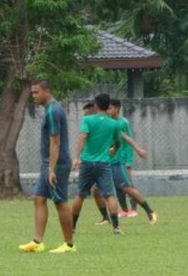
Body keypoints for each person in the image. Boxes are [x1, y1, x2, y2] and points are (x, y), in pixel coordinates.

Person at [71, 94, 144, 235]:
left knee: (80, 195)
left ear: (96, 105)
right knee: (110, 195)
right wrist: (113, 150)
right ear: (107, 106)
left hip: (87, 162)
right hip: (104, 164)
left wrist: (76, 157)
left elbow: (82, 137)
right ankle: (116, 227)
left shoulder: (87, 120)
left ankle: (72, 227)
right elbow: (118, 142)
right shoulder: (114, 123)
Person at [18, 80, 76, 254]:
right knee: (39, 198)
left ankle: (69, 244)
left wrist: (51, 169)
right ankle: (38, 242)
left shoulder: (53, 111)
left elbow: (55, 142)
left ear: (47, 91)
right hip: (48, 164)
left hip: (57, 164)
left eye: (36, 92)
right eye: (32, 93)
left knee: (60, 201)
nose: (34, 96)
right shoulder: (50, 110)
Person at [106, 99, 158, 224]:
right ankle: (124, 210)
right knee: (119, 187)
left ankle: (136, 209)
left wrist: (134, 154)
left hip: (122, 158)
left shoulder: (122, 122)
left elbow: (128, 139)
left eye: (110, 108)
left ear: (117, 109)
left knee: (127, 185)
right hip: (110, 159)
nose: (108, 111)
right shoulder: (108, 122)